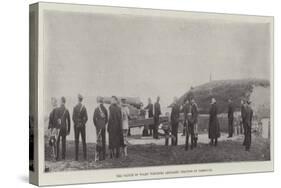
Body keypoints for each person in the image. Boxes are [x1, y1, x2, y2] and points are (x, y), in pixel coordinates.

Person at [72, 94, 88, 161]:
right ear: (82, 99)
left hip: (76, 126)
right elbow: (86, 118)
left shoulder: (75, 107)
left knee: (76, 141)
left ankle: (76, 158)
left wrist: (77, 123)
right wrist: (82, 123)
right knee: (84, 141)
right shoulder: (84, 107)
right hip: (82, 126)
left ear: (78, 99)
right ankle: (85, 157)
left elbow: (73, 118)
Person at [93, 96, 108, 161]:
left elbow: (94, 119)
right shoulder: (105, 109)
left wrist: (96, 125)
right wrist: (104, 124)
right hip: (103, 126)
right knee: (103, 141)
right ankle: (103, 156)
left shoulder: (96, 109)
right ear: (103, 102)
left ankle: (97, 156)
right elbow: (107, 119)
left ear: (99, 101)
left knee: (98, 141)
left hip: (98, 127)